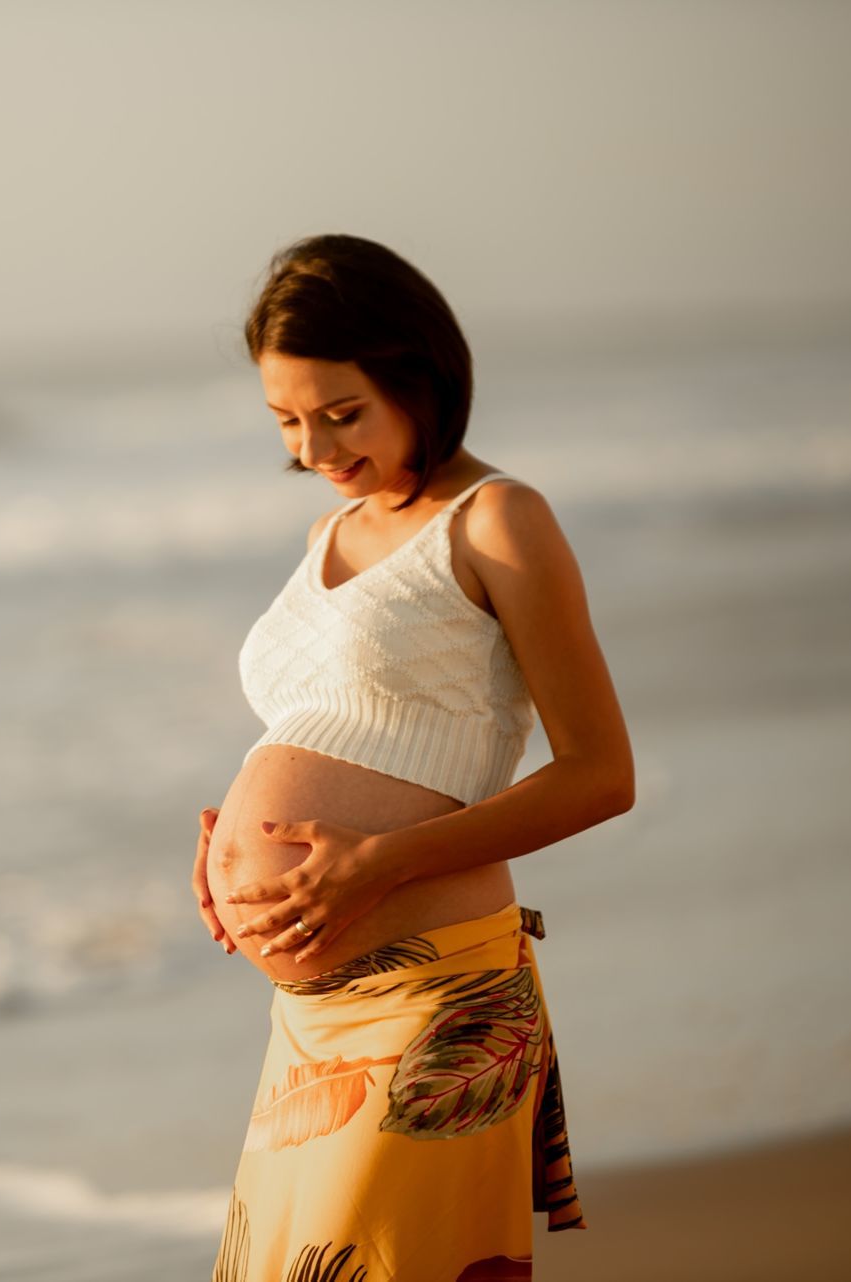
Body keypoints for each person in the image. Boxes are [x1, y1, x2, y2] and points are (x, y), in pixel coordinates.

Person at [192, 234, 634, 1279]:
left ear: (419, 375)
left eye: (342, 413)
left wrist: (378, 861)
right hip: (311, 1022)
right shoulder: (326, 534)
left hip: (433, 1002)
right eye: (287, 420)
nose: (314, 447)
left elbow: (601, 774)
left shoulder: (497, 520)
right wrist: (227, 837)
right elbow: (334, 722)